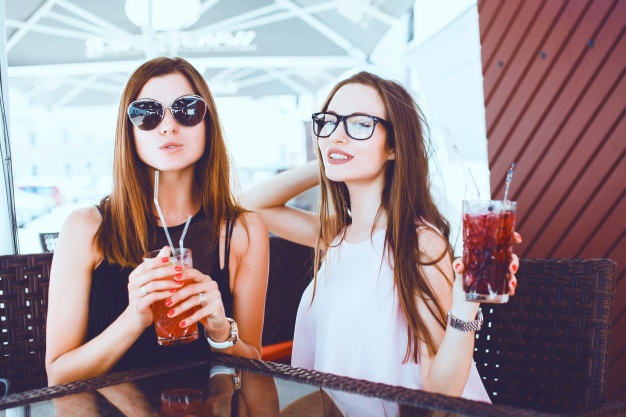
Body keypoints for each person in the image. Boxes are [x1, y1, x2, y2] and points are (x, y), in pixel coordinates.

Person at [243, 71, 520, 402]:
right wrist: (331, 155)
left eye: (360, 124)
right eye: (329, 122)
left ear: (394, 146)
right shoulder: (336, 235)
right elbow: (251, 204)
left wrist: (465, 306)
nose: (337, 135)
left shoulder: (420, 244)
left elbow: (443, 391)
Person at [45, 57, 269, 386]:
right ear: (130, 131)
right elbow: (58, 375)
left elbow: (255, 369)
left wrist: (221, 330)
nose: (168, 126)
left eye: (186, 110)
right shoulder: (86, 228)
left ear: (208, 124)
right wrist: (134, 318)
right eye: (147, 113)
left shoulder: (243, 232)